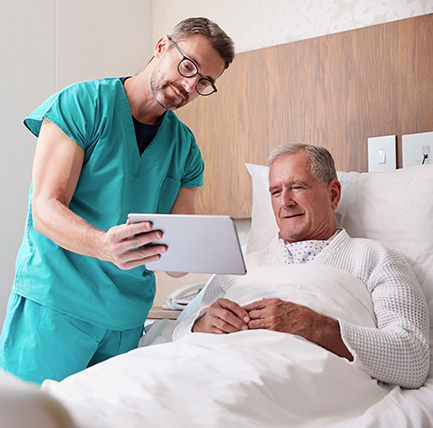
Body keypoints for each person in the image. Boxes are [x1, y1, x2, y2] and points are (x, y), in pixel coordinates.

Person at [0, 17, 235, 384]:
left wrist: (206, 252)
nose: (190, 85)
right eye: (188, 66)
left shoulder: (185, 149)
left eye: (204, 82)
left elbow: (176, 260)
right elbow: (45, 208)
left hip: (125, 320)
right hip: (55, 305)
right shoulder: (82, 105)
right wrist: (102, 245)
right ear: (161, 46)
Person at [173, 143, 430, 389]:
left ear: (333, 194)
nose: (285, 201)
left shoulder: (375, 258)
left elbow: (412, 357)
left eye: (296, 187)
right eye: (275, 192)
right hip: (212, 370)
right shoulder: (239, 267)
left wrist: (316, 327)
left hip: (294, 382)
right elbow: (179, 333)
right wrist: (202, 325)